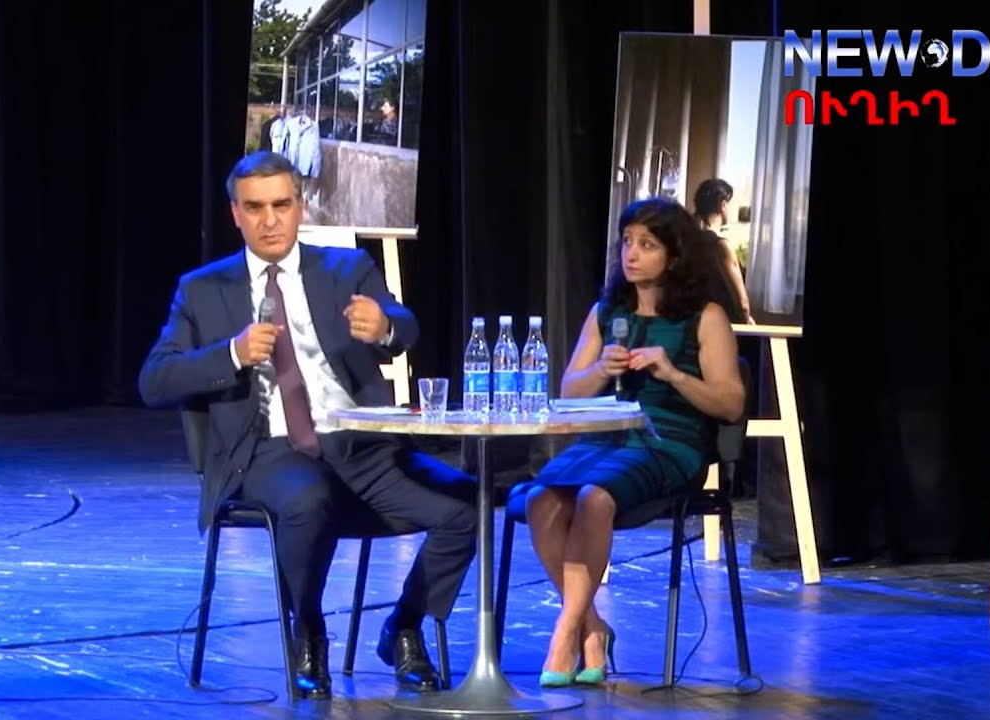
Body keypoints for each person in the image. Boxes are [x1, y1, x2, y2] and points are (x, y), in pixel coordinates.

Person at [138, 151, 476, 699]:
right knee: (307, 500)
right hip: (267, 451)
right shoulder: (203, 289)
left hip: (361, 445)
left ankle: (405, 626)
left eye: (281, 205)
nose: (270, 220)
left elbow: (405, 325)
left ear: (300, 206)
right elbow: (154, 380)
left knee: (464, 506)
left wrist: (385, 327)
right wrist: (231, 353)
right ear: (236, 214)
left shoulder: (346, 269)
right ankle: (309, 631)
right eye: (255, 208)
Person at [512, 197, 745, 687]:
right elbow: (568, 392)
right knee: (540, 499)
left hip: (670, 442)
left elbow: (730, 404)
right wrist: (601, 369)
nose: (631, 254)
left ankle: (565, 635)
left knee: (594, 498)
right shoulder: (607, 313)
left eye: (647, 244)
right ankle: (592, 626)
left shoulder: (704, 317)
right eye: (627, 242)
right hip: (607, 437)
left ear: (674, 256)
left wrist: (673, 373)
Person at [694, 178, 755, 324]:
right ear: (722, 205)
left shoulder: (688, 242)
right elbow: (742, 305)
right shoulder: (720, 247)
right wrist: (749, 324)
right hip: (724, 324)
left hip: (696, 322)